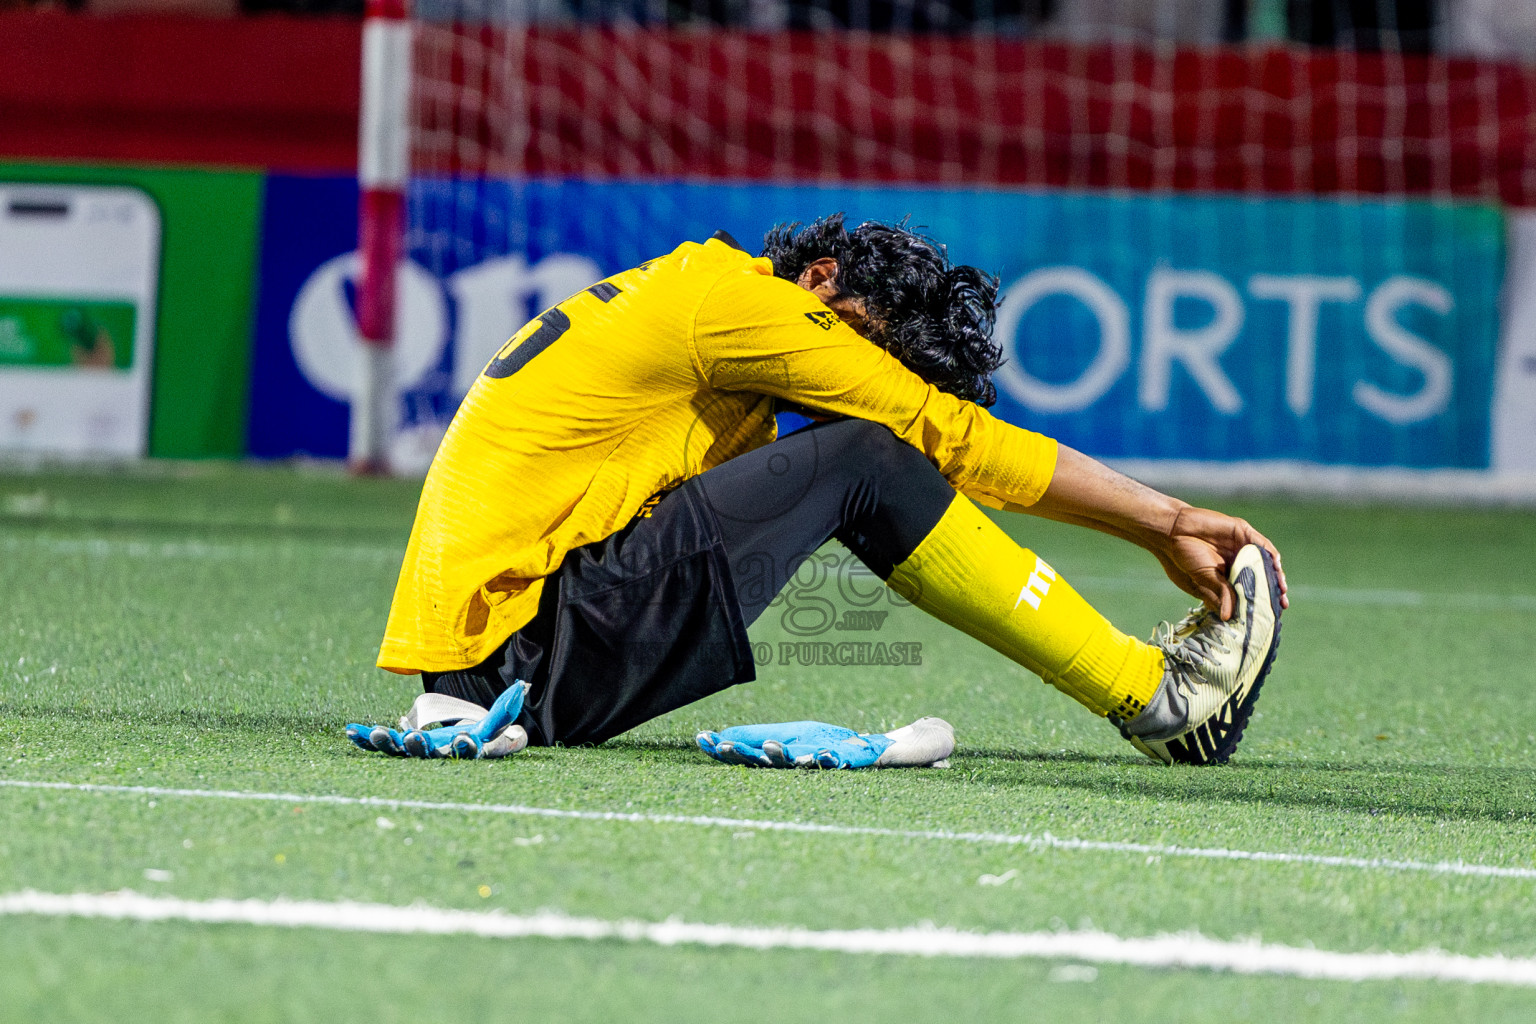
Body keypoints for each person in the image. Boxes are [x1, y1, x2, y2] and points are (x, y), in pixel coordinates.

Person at [351, 215, 1287, 768]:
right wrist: (1165, 519)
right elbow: (946, 437)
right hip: (527, 662)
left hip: (510, 653)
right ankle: (1160, 700)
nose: (850, 371)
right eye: (860, 343)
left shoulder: (698, 292)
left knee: (864, 449)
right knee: (869, 455)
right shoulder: (754, 309)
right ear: (823, 278)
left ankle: (1154, 700)